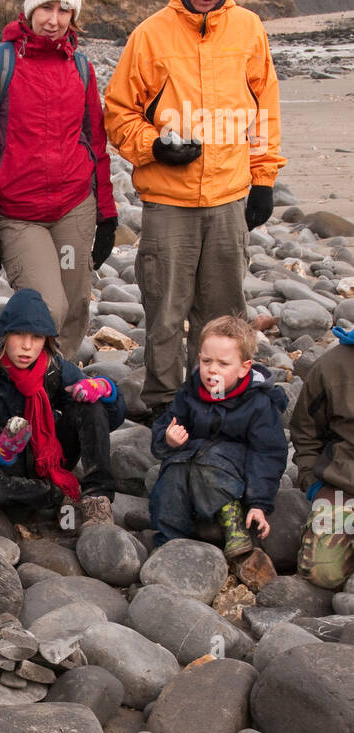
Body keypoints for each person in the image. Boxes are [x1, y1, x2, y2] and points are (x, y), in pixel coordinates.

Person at [104, 0, 285, 419]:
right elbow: (118, 112)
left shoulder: (249, 28)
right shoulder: (149, 34)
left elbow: (265, 114)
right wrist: (154, 147)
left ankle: (221, 402)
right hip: (168, 201)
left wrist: (263, 179)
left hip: (229, 198)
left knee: (223, 315)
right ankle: (166, 406)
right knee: (164, 314)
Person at [0, 0, 117, 359]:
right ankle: (13, 380)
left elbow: (95, 142)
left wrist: (107, 214)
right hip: (19, 214)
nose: (53, 21)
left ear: (73, 16)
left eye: (64, 11)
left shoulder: (81, 67)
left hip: (73, 207)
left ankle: (55, 385)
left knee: (75, 307)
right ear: (29, 10)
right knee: (48, 308)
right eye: (46, 8)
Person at [0, 288, 125, 527]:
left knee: (90, 404)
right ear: (4, 336)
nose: (27, 346)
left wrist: (107, 391)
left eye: (36, 337)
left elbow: (106, 421)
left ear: (46, 340)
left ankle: (95, 499)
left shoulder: (55, 369)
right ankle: (57, 496)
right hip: (9, 469)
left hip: (54, 456)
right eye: (19, 334)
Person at [148, 316, 288, 558]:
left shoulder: (259, 403)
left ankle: (232, 521)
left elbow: (267, 455)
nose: (212, 369)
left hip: (235, 473)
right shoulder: (190, 391)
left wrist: (258, 503)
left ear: (245, 367)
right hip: (191, 461)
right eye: (206, 361)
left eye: (223, 364)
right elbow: (168, 423)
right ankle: (169, 542)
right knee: (172, 474)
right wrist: (168, 439)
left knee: (210, 461)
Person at [292, 325, 354, 591]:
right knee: (321, 572)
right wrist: (311, 480)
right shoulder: (332, 365)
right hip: (343, 485)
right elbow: (305, 430)